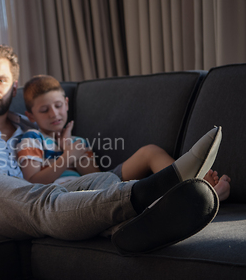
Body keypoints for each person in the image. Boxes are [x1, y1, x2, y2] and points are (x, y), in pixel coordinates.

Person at [0, 42, 222, 255]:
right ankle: (159, 188)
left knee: (103, 180)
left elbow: (61, 169)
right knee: (41, 201)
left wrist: (68, 152)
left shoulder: (31, 129)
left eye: (0, 80)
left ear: (14, 87)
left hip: (30, 196)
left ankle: (136, 228)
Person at [16, 74, 231, 201]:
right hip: (68, 194)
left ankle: (196, 187)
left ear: (66, 103)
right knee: (132, 191)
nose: (54, 114)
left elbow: (96, 177)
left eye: (58, 106)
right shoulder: (31, 139)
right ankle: (195, 197)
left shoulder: (76, 141)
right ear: (31, 116)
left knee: (150, 151)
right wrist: (67, 157)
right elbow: (32, 181)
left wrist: (72, 149)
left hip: (101, 183)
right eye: (44, 110)